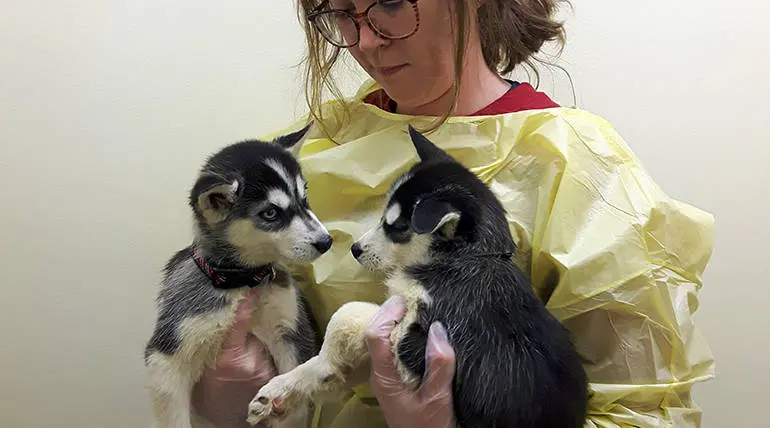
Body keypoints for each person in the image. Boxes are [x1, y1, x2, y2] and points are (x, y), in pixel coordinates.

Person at [191, 0, 716, 427]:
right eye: (341, 14)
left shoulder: (577, 166)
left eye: (391, 4)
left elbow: (641, 411)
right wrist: (229, 396)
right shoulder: (303, 154)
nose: (365, 42)